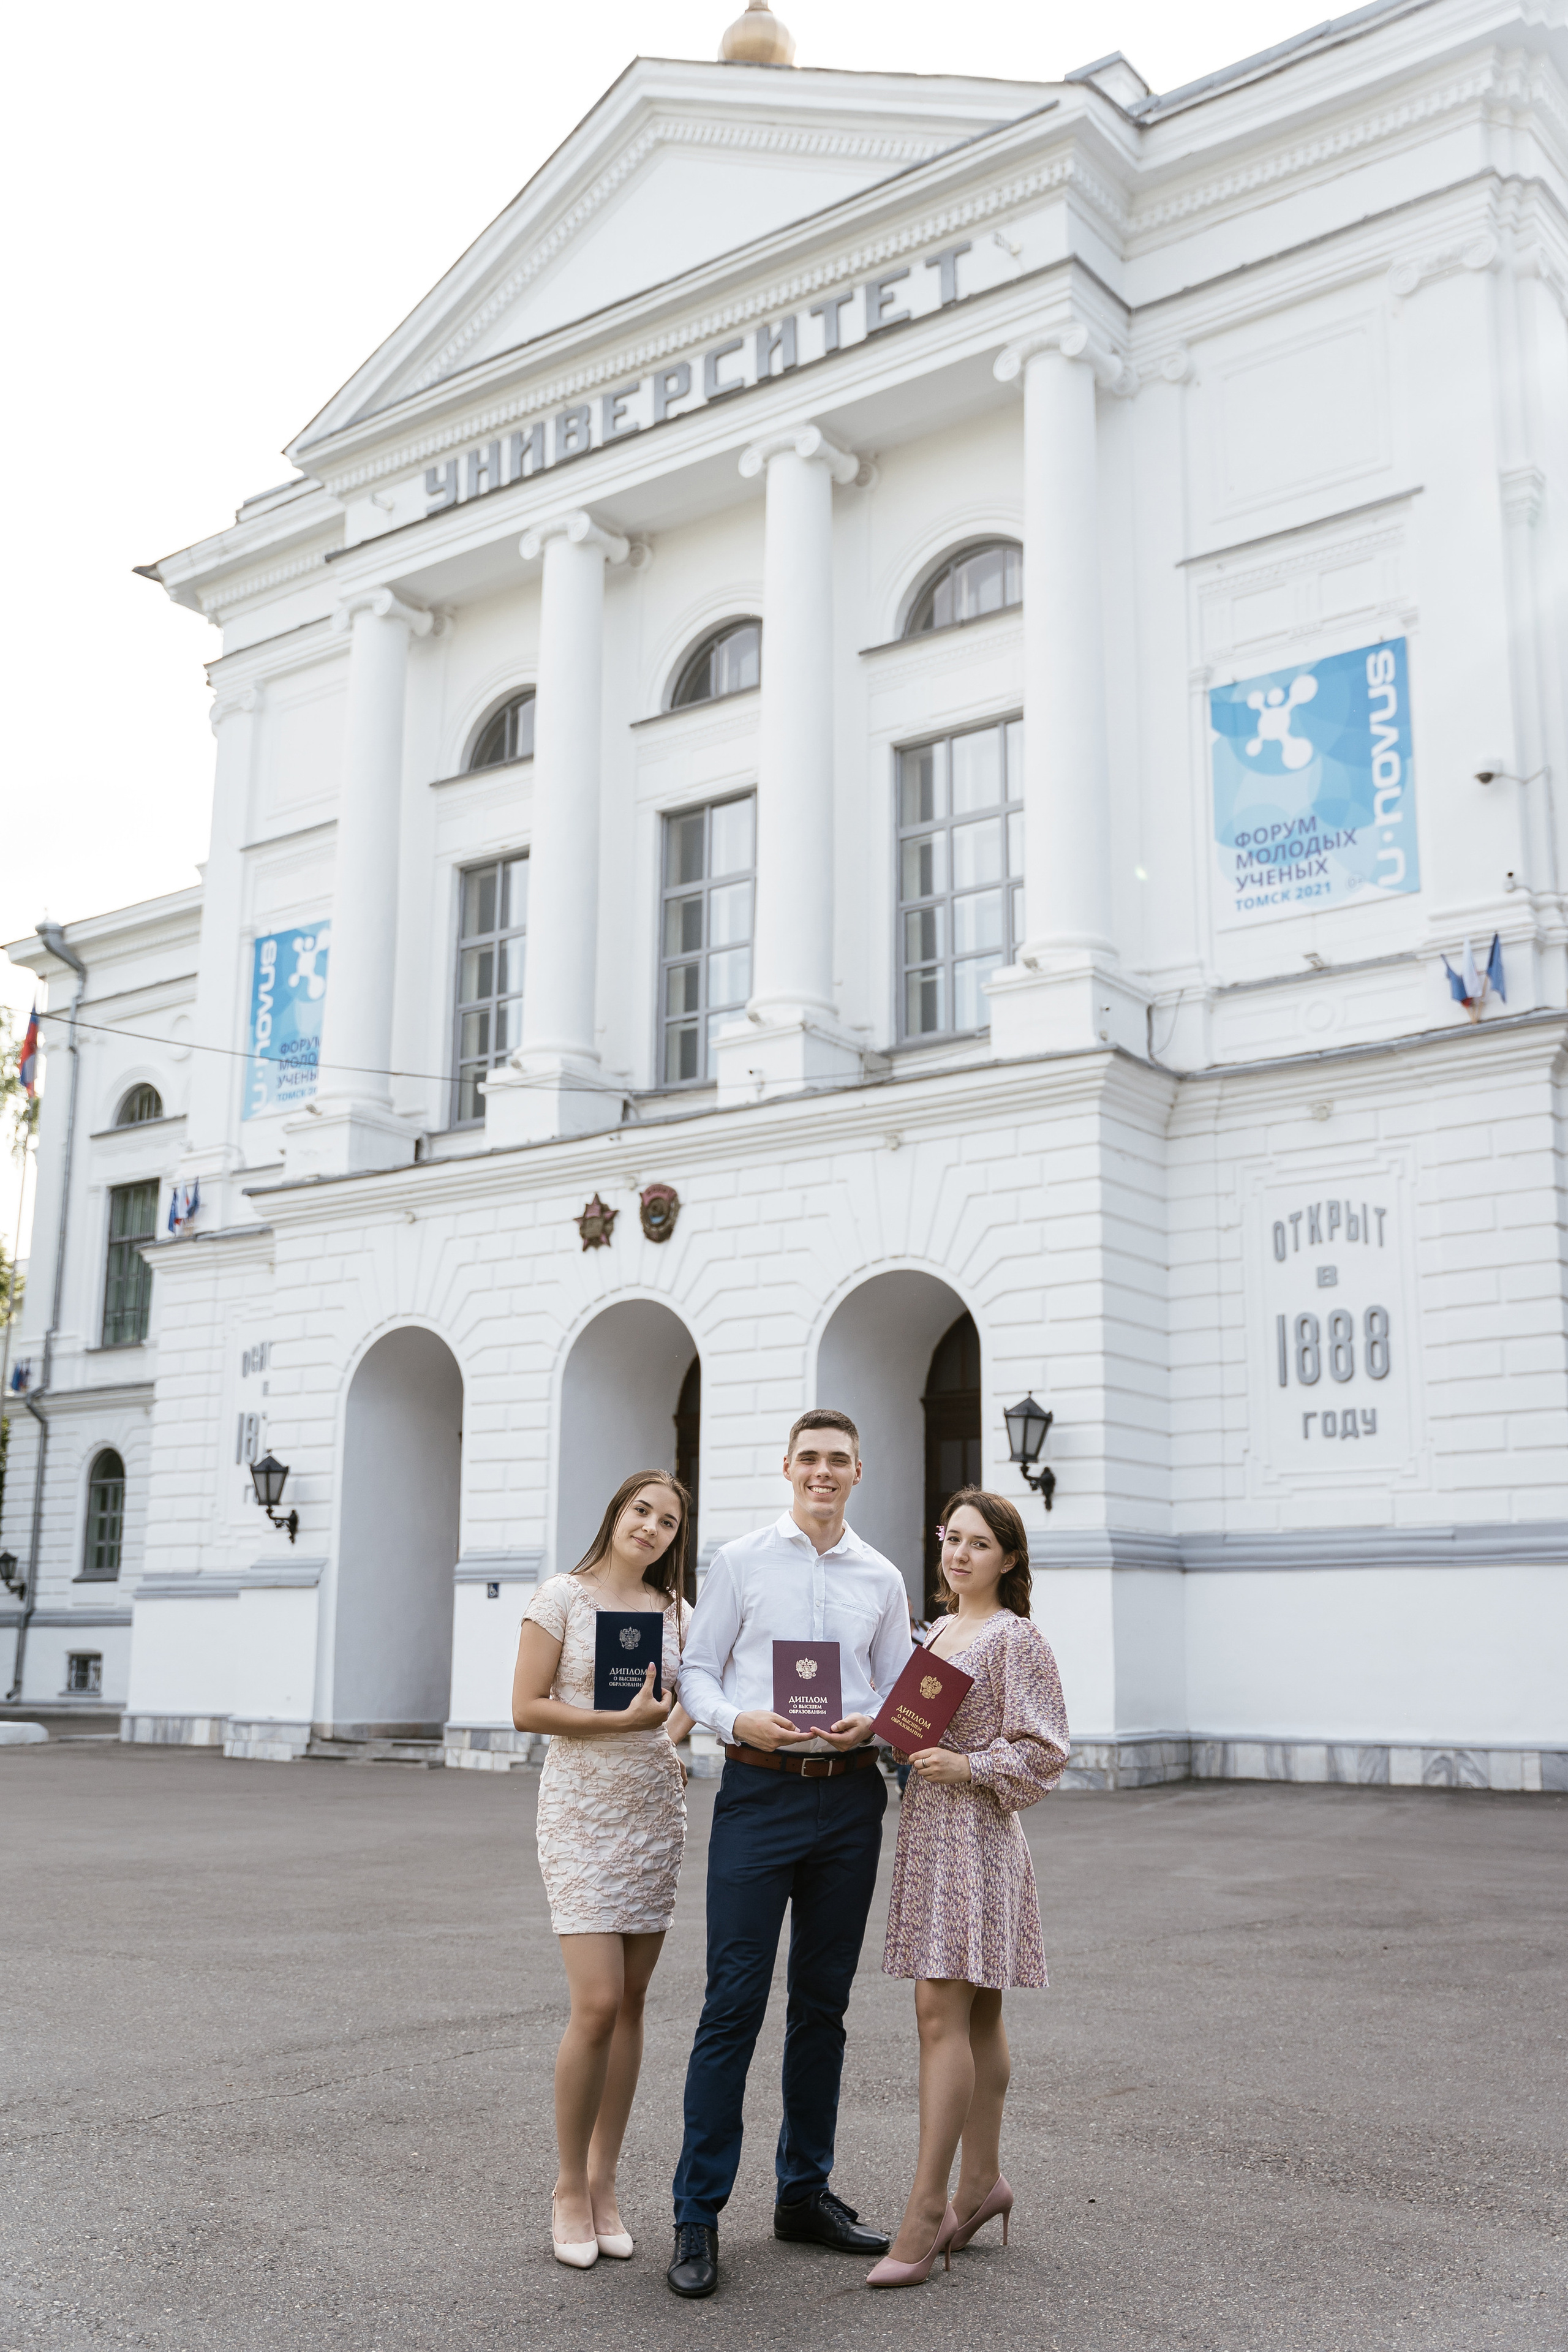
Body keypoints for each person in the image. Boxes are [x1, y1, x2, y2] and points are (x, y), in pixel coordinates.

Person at [666, 1409, 914, 2300]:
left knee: (823, 2004)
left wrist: (877, 1724)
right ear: (786, 1469)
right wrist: (740, 1719)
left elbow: (896, 1685)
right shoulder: (738, 1562)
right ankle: (698, 2213)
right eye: (809, 1459)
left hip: (849, 1798)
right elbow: (697, 1670)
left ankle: (802, 2194)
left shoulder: (882, 1577)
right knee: (732, 2003)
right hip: (759, 1790)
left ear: (858, 1471)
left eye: (838, 1460)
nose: (823, 1472)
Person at [867, 1486, 1070, 2289]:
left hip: (976, 1836)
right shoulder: (940, 1629)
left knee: (939, 2011)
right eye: (953, 1539)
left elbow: (1047, 1751)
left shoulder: (1016, 1638)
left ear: (1009, 1559)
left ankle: (927, 2211)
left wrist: (971, 1765)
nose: (959, 1554)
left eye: (979, 1544)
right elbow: (914, 1729)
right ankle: (982, 2183)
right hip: (928, 1830)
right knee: (977, 2007)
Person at [511, 1471, 696, 2271]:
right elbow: (526, 1706)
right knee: (594, 2002)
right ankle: (566, 2188)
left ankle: (607, 2181)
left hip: (652, 1812)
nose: (651, 1528)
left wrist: (672, 1732)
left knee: (631, 2002)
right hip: (582, 1813)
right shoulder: (563, 1596)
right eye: (641, 1511)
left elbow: (694, 1694)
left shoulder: (677, 1612)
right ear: (616, 1513)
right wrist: (616, 1722)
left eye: (667, 1521)